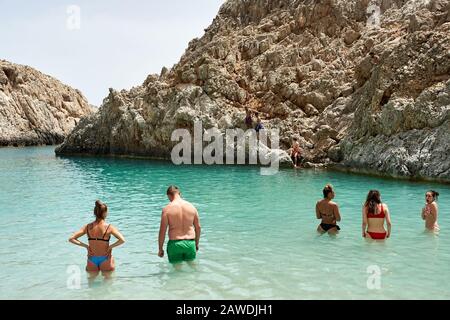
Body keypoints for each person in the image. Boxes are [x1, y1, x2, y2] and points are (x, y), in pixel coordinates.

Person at [69, 200, 125, 277]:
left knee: (92, 285)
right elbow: (122, 240)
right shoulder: (109, 227)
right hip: (106, 258)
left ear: (95, 213)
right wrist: (110, 247)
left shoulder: (87, 227)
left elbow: (71, 239)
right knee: (108, 286)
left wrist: (86, 246)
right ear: (104, 213)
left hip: (92, 259)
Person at [158, 186, 201, 267]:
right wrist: (196, 244)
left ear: (169, 195)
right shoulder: (192, 207)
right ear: (179, 194)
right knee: (193, 268)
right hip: (190, 243)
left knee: (177, 272)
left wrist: (160, 249)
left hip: (175, 244)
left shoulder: (167, 209)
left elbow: (162, 231)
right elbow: (198, 227)